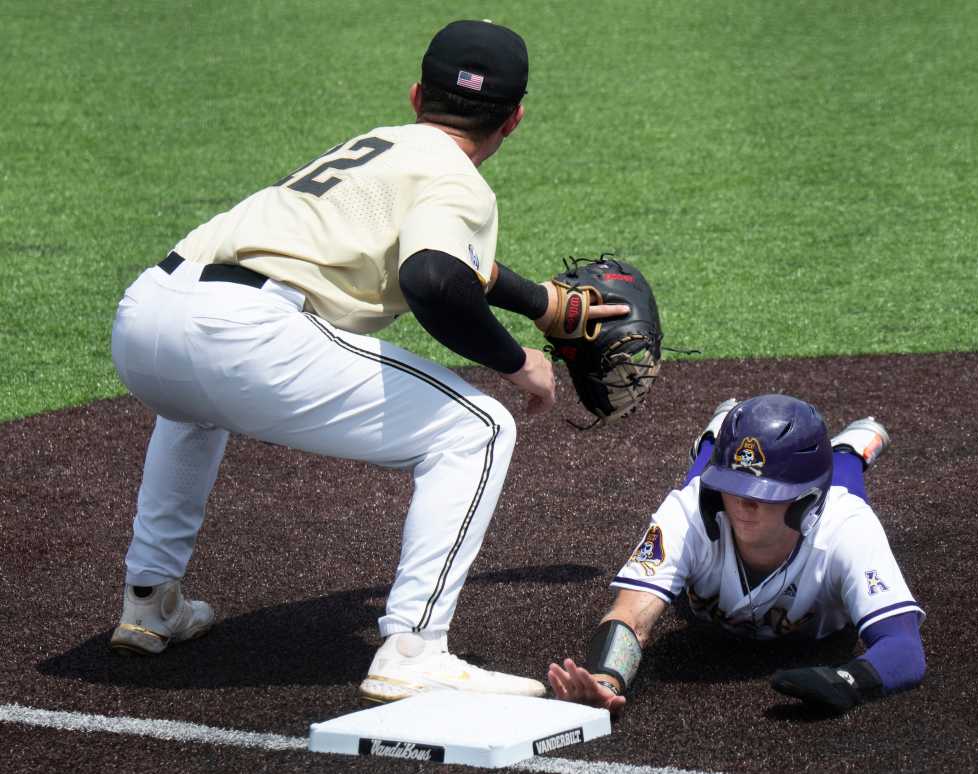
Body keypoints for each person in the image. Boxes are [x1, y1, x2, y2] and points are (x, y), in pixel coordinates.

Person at [108, 19, 628, 704]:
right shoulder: (460, 182)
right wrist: (514, 360)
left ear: (417, 96)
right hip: (246, 333)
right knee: (479, 429)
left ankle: (150, 600)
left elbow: (439, 257)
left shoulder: (380, 146)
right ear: (516, 120)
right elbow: (435, 279)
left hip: (148, 317)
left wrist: (539, 302)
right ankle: (415, 646)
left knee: (193, 406)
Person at [547, 395, 926, 716]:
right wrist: (605, 680)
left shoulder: (847, 528)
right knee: (699, 481)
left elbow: (903, 646)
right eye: (732, 486)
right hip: (712, 512)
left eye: (764, 493)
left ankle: (850, 450)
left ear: (804, 500)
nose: (743, 504)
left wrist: (847, 681)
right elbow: (630, 614)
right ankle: (713, 443)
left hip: (830, 525)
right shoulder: (689, 512)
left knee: (843, 479)